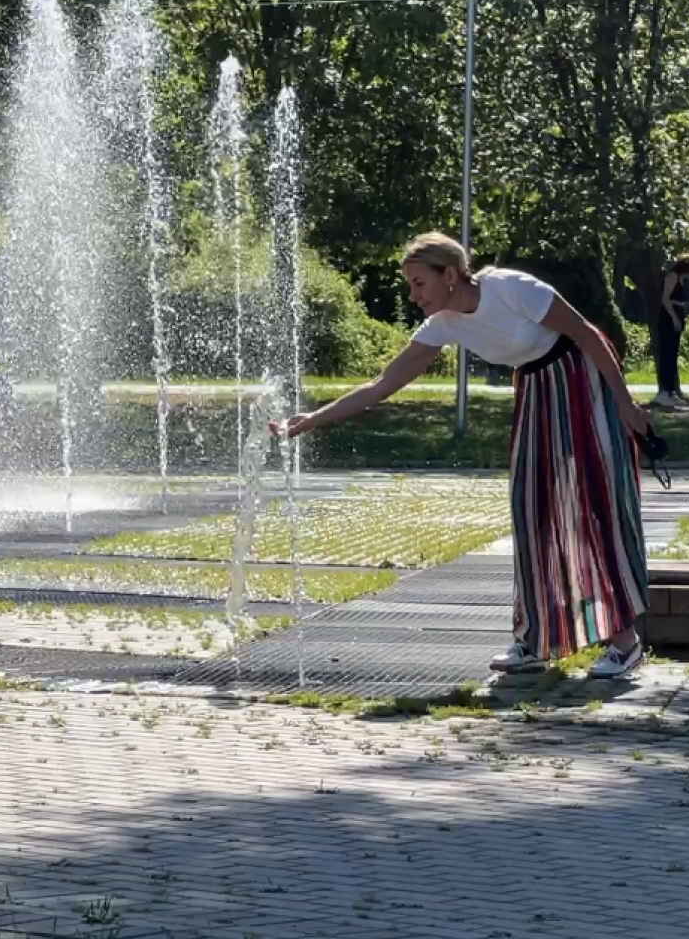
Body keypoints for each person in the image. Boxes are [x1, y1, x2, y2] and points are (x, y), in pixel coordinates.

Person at [273, 233, 652, 679]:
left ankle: (625, 643)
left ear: (449, 275)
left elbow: (587, 335)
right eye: (410, 286)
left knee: (592, 505)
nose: (413, 296)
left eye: (419, 284)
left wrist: (625, 403)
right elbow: (381, 385)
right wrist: (311, 419)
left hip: (583, 379)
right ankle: (535, 639)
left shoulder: (512, 288)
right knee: (531, 509)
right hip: (535, 388)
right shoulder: (444, 324)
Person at [651, 255, 689, 408]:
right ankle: (663, 392)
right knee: (666, 354)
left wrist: (687, 304)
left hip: (677, 315)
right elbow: (665, 299)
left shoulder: (681, 280)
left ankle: (672, 391)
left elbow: (675, 300)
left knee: (672, 355)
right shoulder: (672, 276)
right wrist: (674, 318)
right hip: (668, 318)